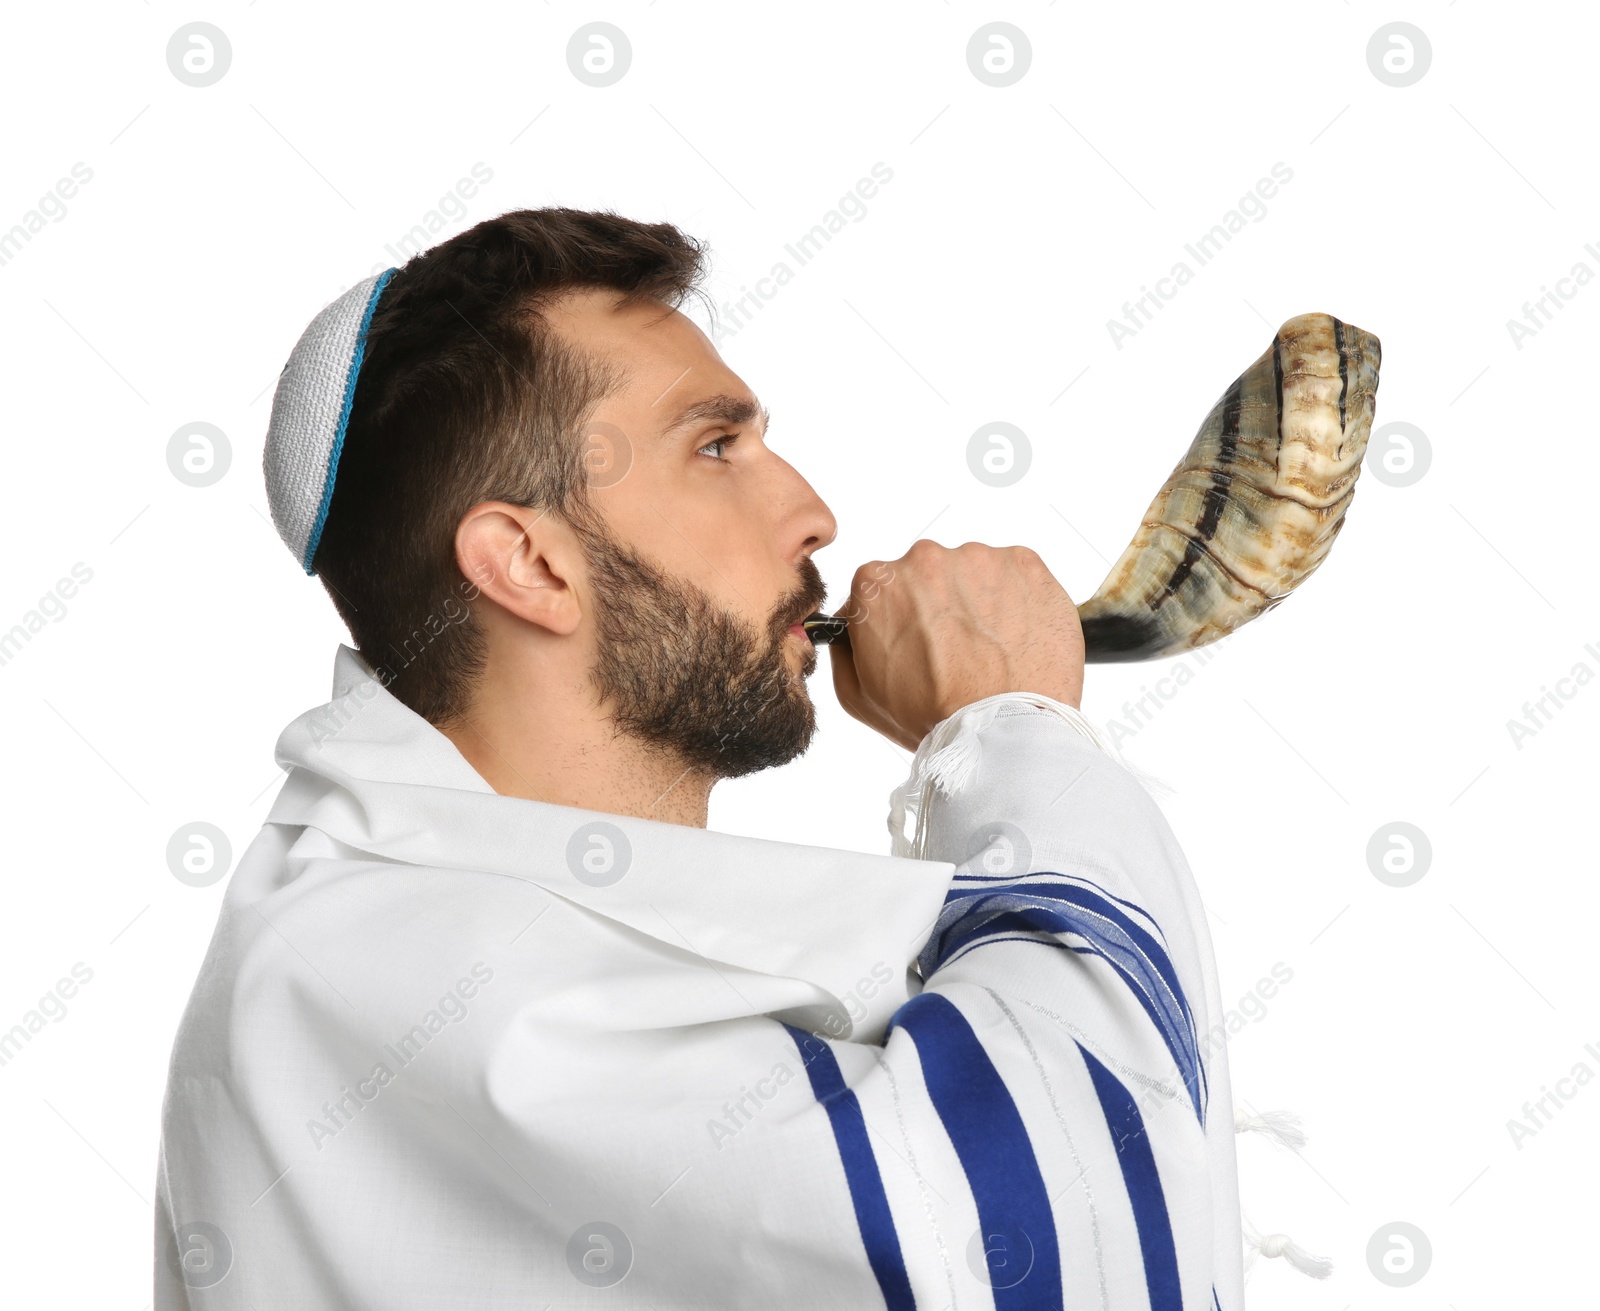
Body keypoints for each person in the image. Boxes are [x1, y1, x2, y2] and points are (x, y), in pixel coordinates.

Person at [155, 208, 1244, 1309]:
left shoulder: (482, 925)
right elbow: (1037, 1218)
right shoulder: (398, 966)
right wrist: (1010, 730)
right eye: (716, 448)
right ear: (529, 564)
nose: (813, 516)